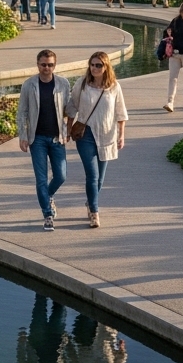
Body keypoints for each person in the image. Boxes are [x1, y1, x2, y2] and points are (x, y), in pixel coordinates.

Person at [64, 50, 128, 229]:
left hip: (107, 135)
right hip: (86, 135)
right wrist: (68, 129)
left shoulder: (114, 87)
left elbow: (120, 112)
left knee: (100, 179)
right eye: (92, 65)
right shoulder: (82, 84)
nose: (94, 68)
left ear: (106, 67)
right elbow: (72, 107)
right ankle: (94, 212)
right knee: (92, 175)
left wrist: (121, 135)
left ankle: (91, 201)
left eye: (98, 65)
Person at [16, 49, 71, 231]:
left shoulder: (63, 83)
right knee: (41, 178)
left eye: (50, 65)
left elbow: (69, 109)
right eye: (43, 64)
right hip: (37, 138)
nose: (47, 68)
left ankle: (48, 197)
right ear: (38, 64)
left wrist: (70, 129)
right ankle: (47, 214)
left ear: (55, 65)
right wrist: (23, 136)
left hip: (57, 138)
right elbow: (22, 112)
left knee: (61, 176)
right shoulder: (29, 85)